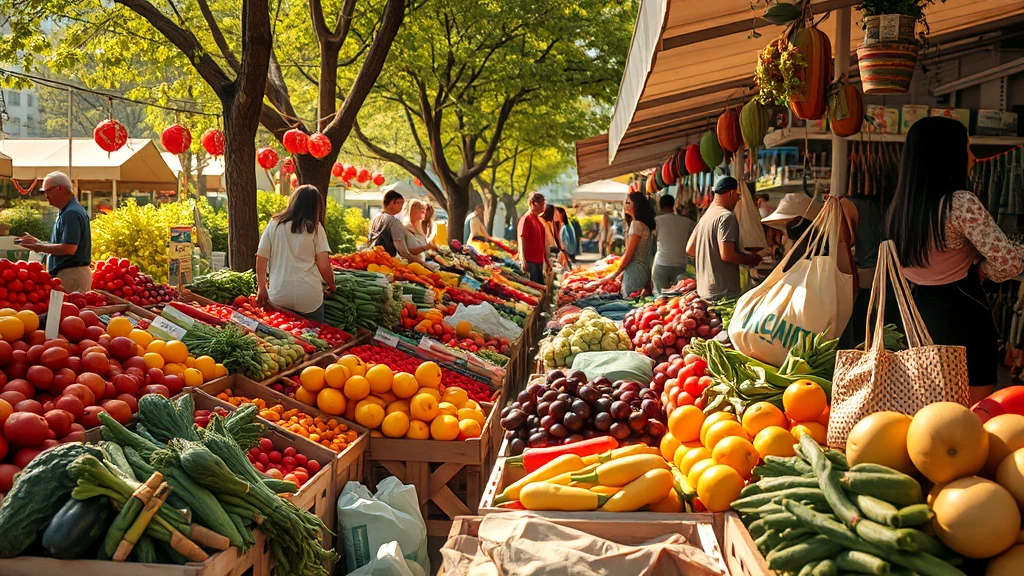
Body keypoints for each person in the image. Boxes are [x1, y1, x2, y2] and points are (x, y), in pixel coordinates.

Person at [886, 116, 1024, 403]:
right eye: (967, 148)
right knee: (970, 412)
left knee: (925, 406)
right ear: (947, 155)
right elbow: (1009, 263)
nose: (972, 157)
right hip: (961, 315)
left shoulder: (900, 207)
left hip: (914, 313)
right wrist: (981, 269)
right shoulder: (960, 203)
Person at [255, 185, 336, 323]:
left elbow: (261, 258)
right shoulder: (316, 229)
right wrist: (331, 284)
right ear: (316, 207)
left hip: (279, 294)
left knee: (282, 334)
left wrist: (261, 288)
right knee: (315, 333)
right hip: (308, 298)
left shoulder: (274, 224)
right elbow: (324, 265)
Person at [687, 176, 762, 300]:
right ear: (731, 193)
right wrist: (750, 259)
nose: (737, 200)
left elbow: (690, 250)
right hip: (723, 292)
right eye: (737, 196)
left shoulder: (705, 217)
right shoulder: (726, 217)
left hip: (704, 290)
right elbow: (727, 255)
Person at [18, 171, 92, 293]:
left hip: (71, 275)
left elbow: (69, 248)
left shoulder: (71, 213)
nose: (46, 195)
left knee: (68, 305)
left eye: (48, 191)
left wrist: (39, 246)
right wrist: (39, 243)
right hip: (69, 273)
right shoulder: (68, 211)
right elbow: (64, 245)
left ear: (60, 189)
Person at [590, 191, 657, 297]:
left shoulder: (636, 225)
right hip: (641, 270)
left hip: (635, 271)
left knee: (629, 301)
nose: (625, 205)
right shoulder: (642, 224)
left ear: (636, 206)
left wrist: (611, 276)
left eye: (628, 203)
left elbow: (629, 254)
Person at [367, 190, 426, 265]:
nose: (402, 207)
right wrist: (423, 263)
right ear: (394, 202)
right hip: (386, 263)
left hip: (371, 260)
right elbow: (403, 253)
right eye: (401, 203)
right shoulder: (394, 222)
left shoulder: (375, 217)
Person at [653, 194, 697, 294]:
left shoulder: (657, 221)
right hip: (680, 264)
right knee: (679, 296)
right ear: (673, 205)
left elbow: (652, 238)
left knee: (660, 297)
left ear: (660, 206)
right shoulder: (687, 222)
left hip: (662, 263)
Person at [518, 192, 551, 284]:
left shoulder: (539, 221)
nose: (543, 207)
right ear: (533, 203)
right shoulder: (526, 219)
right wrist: (523, 259)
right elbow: (522, 239)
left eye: (544, 204)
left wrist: (547, 261)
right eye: (541, 204)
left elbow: (542, 243)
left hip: (539, 261)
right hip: (530, 262)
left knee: (540, 287)